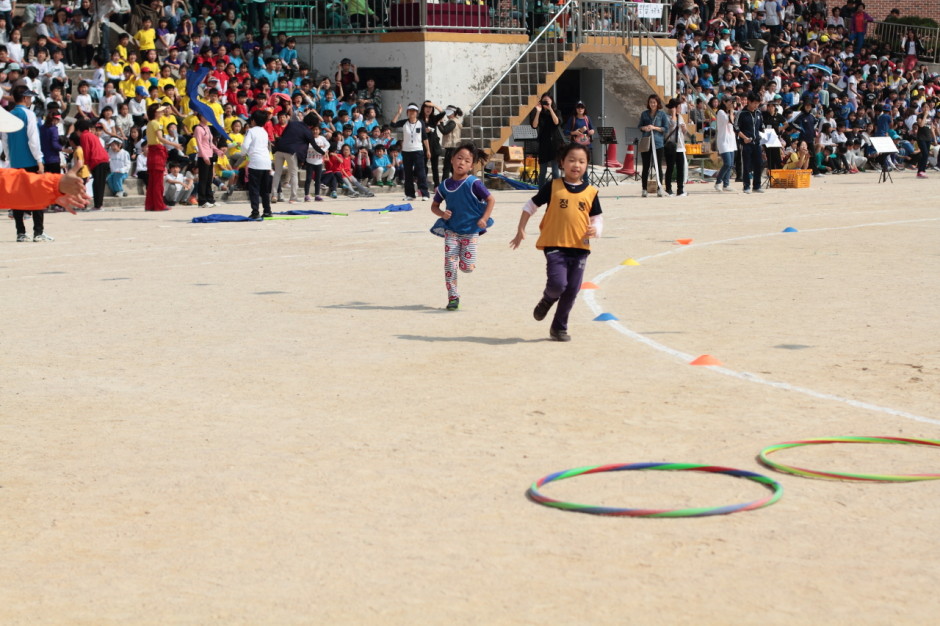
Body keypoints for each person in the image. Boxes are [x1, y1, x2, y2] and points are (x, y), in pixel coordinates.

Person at [509, 143, 603, 342]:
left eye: (581, 161)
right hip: (555, 245)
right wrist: (521, 229)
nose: (576, 165)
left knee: (571, 290)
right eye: (571, 160)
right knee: (558, 285)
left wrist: (597, 230)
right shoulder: (553, 186)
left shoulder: (591, 192)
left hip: (580, 248)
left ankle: (559, 328)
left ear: (587, 165)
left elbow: (597, 218)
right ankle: (548, 299)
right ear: (562, 163)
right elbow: (530, 205)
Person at [429, 141, 495, 311]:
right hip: (451, 230)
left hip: (471, 231)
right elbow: (434, 207)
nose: (462, 163)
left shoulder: (474, 183)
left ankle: (465, 263)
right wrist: (442, 214)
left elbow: (490, 199)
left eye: (467, 161)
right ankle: (453, 297)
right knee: (449, 265)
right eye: (459, 158)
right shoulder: (444, 186)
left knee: (467, 268)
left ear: (471, 165)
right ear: (452, 160)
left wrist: (484, 218)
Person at [1, 86, 50, 241]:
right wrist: (39, 160)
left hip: (15, 163)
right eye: (29, 97)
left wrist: (10, 159)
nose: (30, 100)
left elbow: (6, 141)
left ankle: (21, 233)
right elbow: (33, 140)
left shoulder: (8, 115)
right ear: (25, 98)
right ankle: (38, 232)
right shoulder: (29, 114)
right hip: (30, 161)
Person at [271, 111, 317, 204]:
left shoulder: (292, 123)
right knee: (293, 174)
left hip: (279, 148)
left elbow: (283, 135)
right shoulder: (307, 131)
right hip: (291, 151)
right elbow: (304, 147)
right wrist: (302, 160)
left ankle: (274, 195)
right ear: (312, 125)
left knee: (277, 173)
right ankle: (293, 197)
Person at [145, 103, 182, 211]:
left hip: (153, 152)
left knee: (152, 182)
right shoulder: (156, 123)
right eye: (160, 111)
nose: (162, 112)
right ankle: (158, 205)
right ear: (155, 113)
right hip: (157, 152)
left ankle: (151, 204)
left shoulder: (149, 123)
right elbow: (161, 139)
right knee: (157, 183)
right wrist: (175, 145)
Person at [390, 102, 430, 201]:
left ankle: (424, 193)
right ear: (407, 112)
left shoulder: (421, 123)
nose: (412, 113)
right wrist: (398, 113)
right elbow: (392, 124)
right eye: (410, 111)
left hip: (418, 151)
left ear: (417, 112)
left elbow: (425, 137)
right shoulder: (404, 122)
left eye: (414, 111)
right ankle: (410, 194)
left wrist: (428, 150)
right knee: (408, 173)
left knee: (421, 173)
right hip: (406, 151)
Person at [242, 109, 273, 219]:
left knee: (254, 188)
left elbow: (245, 146)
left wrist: (244, 154)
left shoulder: (251, 131)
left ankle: (255, 212)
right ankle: (267, 210)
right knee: (265, 189)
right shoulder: (264, 131)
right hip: (266, 161)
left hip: (255, 162)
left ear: (253, 120)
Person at [638, 93, 668, 197]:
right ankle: (644, 189)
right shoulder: (644, 114)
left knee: (658, 166)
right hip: (647, 142)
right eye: (651, 102)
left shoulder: (662, 114)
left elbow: (665, 128)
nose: (652, 104)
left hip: (658, 143)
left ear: (658, 103)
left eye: (654, 102)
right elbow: (639, 126)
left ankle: (659, 188)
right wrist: (645, 128)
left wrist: (654, 128)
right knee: (645, 166)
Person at [194, 112, 225, 208]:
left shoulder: (207, 128)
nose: (206, 118)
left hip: (210, 154)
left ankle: (210, 199)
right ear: (200, 117)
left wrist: (218, 151)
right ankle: (202, 201)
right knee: (203, 179)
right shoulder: (198, 128)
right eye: (204, 116)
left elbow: (210, 143)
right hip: (203, 156)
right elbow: (199, 144)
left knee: (209, 179)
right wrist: (204, 156)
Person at [530, 93, 561, 185]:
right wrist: (538, 111)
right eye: (544, 101)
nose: (546, 103)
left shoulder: (556, 111)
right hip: (543, 143)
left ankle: (556, 191)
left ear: (552, 101)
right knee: (543, 171)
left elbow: (556, 122)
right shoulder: (538, 113)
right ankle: (541, 193)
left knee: (555, 170)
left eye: (548, 101)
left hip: (554, 143)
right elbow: (534, 125)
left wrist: (550, 109)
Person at [736, 93, 765, 194]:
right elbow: (736, 128)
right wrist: (744, 138)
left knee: (759, 164)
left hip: (756, 143)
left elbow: (761, 126)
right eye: (755, 103)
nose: (756, 105)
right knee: (746, 165)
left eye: (758, 103)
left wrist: (764, 132)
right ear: (749, 101)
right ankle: (746, 186)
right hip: (746, 143)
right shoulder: (741, 113)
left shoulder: (758, 113)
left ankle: (757, 185)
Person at [663, 98, 688, 198]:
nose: (680, 108)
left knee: (680, 168)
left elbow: (684, 132)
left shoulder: (680, 117)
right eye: (678, 107)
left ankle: (680, 189)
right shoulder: (666, 117)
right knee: (670, 168)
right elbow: (671, 126)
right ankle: (668, 189)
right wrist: (673, 114)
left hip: (680, 146)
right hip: (671, 145)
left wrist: (684, 129)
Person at [564, 101, 594, 181]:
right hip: (576, 145)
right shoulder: (572, 118)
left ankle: (586, 183)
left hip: (586, 145)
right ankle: (577, 182)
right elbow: (566, 132)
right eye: (578, 107)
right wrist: (574, 132)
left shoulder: (587, 118)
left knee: (585, 165)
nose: (580, 109)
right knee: (577, 165)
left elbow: (592, 128)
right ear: (576, 109)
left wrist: (591, 131)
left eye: (582, 107)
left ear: (584, 109)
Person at [714, 96, 736, 192]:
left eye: (732, 102)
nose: (731, 104)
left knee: (731, 164)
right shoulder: (721, 112)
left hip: (731, 141)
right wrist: (731, 111)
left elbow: (734, 123)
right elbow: (730, 120)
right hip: (723, 141)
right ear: (724, 102)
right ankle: (718, 182)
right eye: (729, 102)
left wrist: (732, 111)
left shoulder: (729, 112)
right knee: (727, 163)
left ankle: (726, 184)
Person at [438, 105, 463, 181]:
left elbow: (444, 131)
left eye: (448, 113)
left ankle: (443, 185)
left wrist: (439, 123)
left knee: (447, 168)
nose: (447, 115)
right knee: (452, 168)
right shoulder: (456, 121)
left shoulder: (453, 122)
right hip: (454, 148)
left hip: (452, 148)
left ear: (453, 113)